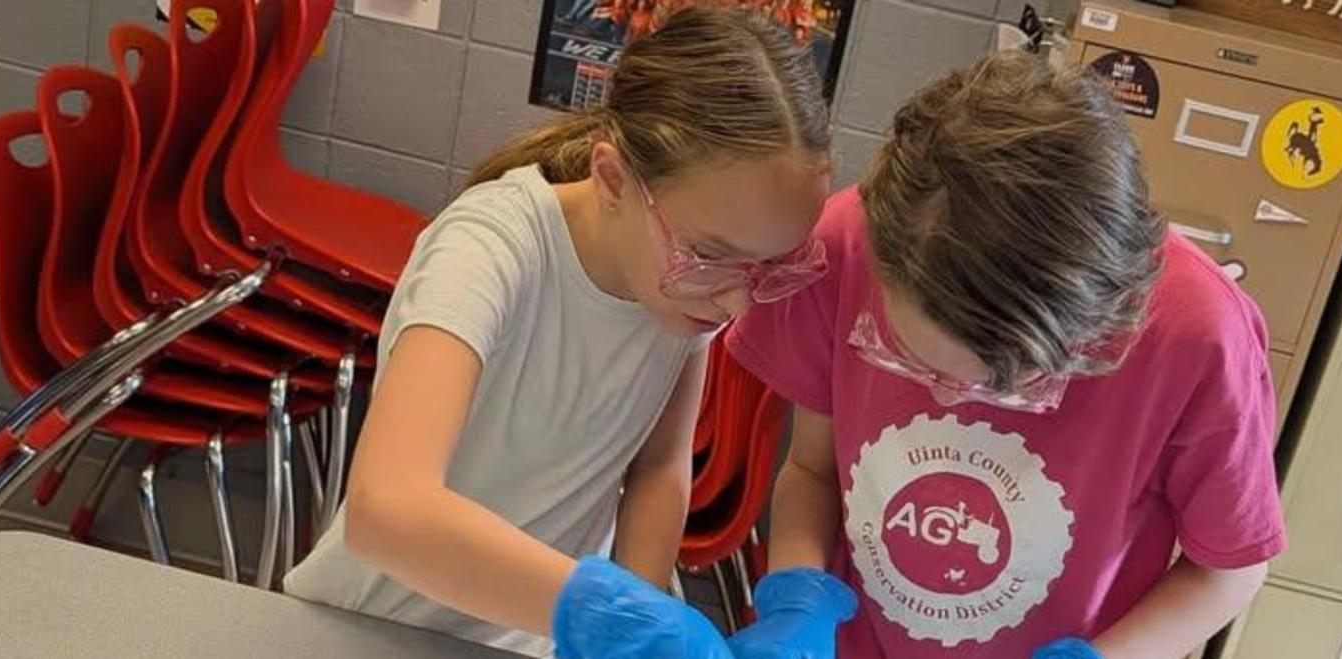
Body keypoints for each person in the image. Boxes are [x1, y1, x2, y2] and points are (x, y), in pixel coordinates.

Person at [281, 7, 833, 658]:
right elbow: (386, 508)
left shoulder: (682, 284)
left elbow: (659, 466)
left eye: (768, 267)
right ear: (613, 179)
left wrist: (642, 607)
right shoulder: (489, 246)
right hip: (372, 628)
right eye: (713, 255)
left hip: (528, 639)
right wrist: (608, 614)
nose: (739, 298)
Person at [722, 53, 1285, 659]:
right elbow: (813, 470)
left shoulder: (1198, 336)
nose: (945, 399)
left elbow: (1227, 570)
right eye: (906, 359)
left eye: (1001, 382)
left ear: (1092, 327)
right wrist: (800, 603)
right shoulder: (847, 247)